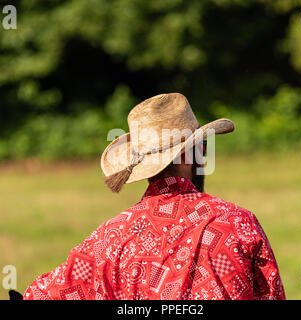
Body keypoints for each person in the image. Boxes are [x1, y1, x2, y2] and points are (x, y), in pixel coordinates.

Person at [23, 93, 285, 300]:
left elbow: (39, 295)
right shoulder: (237, 223)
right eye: (202, 145)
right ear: (187, 154)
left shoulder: (107, 241)